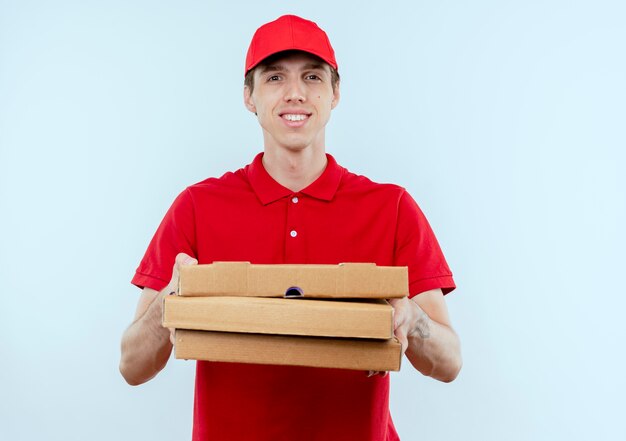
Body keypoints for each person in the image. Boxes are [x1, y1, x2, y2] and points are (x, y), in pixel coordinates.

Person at [119, 14, 462, 441]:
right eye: (275, 77)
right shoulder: (197, 206)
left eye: (313, 77)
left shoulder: (391, 207)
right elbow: (131, 366)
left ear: (335, 93)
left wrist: (413, 321)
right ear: (249, 96)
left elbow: (449, 364)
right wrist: (166, 306)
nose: (295, 93)